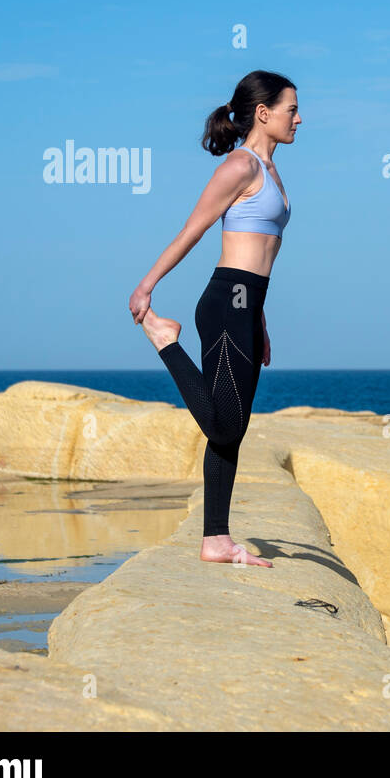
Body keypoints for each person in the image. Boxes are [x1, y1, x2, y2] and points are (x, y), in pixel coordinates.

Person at [127, 70, 299, 567]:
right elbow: (193, 229)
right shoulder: (240, 167)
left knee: (234, 427)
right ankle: (165, 339)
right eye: (291, 108)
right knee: (223, 428)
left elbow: (263, 254)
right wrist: (147, 285)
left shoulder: (272, 172)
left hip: (247, 305)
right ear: (263, 113)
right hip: (226, 303)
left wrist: (260, 319)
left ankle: (215, 539)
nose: (299, 118)